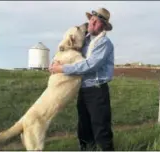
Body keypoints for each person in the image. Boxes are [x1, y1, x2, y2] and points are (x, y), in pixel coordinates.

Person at [49, 8, 115, 151]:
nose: (91, 23)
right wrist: (54, 62)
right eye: (91, 20)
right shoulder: (84, 40)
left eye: (96, 22)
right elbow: (67, 49)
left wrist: (62, 69)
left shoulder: (104, 43)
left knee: (101, 128)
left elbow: (89, 65)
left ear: (103, 26)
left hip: (97, 90)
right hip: (83, 89)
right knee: (84, 127)